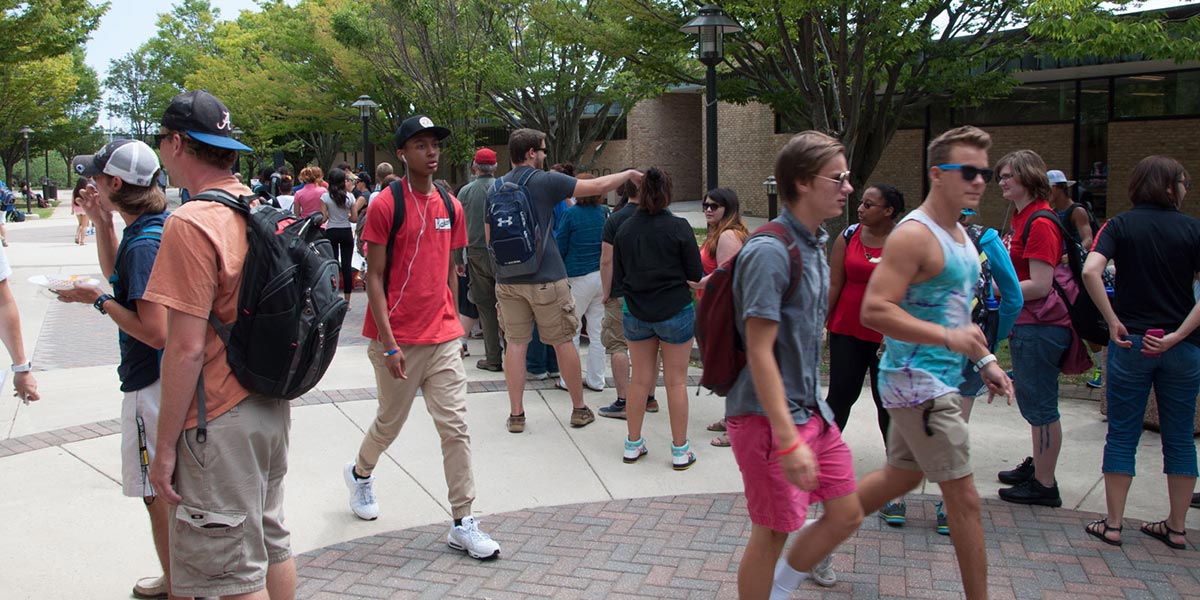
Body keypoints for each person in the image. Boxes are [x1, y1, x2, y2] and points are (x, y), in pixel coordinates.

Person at [145, 89, 296, 599]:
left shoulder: (190, 223)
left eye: (163, 140)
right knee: (271, 541)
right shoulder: (259, 208)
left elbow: (184, 349)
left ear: (179, 143)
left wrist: (164, 448)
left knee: (230, 576)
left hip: (218, 417)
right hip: (268, 404)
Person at [856, 126, 1013, 600]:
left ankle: (813, 534)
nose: (980, 181)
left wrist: (984, 357)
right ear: (937, 175)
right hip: (918, 383)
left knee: (897, 480)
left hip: (938, 378)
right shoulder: (914, 235)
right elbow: (875, 309)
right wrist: (952, 339)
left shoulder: (963, 234)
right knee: (964, 500)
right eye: (968, 171)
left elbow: (957, 311)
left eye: (985, 172)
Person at [343, 115, 501, 560]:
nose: (430, 151)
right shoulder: (385, 205)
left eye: (434, 144)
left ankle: (463, 520)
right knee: (389, 423)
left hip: (443, 338)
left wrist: (453, 320)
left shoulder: (450, 205)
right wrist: (390, 343)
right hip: (397, 339)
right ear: (401, 153)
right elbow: (373, 279)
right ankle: (360, 473)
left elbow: (449, 267)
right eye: (419, 144)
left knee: (456, 428)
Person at [725, 132, 863, 599]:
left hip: (811, 412)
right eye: (838, 177)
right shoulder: (769, 251)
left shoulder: (815, 245)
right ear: (803, 182)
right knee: (772, 531)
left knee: (847, 512)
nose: (848, 187)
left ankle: (781, 589)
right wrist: (787, 440)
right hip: (767, 420)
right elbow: (759, 349)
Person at [60, 140, 174, 600]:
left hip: (153, 381)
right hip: (162, 379)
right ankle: (180, 577)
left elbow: (155, 330)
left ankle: (177, 584)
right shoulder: (149, 227)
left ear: (115, 183)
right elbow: (117, 276)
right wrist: (103, 223)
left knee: (158, 492)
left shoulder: (146, 242)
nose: (89, 185)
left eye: (97, 177)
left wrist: (98, 302)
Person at [490, 128, 642, 433]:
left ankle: (516, 415)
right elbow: (596, 185)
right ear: (531, 153)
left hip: (507, 280)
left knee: (516, 345)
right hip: (546, 276)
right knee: (564, 341)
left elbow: (490, 234)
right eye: (543, 151)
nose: (546, 156)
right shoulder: (545, 181)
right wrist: (629, 173)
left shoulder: (496, 187)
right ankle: (579, 408)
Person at [1081, 156, 1197, 550]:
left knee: (1122, 433)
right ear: (1168, 186)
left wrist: (1112, 320)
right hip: (1181, 347)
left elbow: (1090, 270)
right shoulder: (1193, 229)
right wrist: (1179, 334)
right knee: (1180, 437)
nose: (1186, 188)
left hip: (1130, 340)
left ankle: (1113, 525)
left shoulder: (1119, 225)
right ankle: (1177, 528)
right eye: (1183, 181)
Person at [995, 149, 1071, 509]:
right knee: (1035, 403)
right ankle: (1040, 469)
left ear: (1027, 176)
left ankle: (1044, 484)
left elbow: (1040, 284)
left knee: (1041, 407)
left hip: (1040, 327)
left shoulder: (1039, 222)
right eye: (1000, 176)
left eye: (1008, 175)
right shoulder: (1022, 217)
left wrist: (992, 288)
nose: (1002, 181)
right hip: (1028, 325)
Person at [611, 168, 701, 468]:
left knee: (639, 380)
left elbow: (620, 276)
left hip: (636, 311)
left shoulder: (624, 228)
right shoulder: (680, 227)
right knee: (675, 382)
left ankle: (632, 444)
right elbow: (694, 274)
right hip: (675, 310)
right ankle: (679, 449)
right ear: (667, 192)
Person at [825, 183, 903, 442]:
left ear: (889, 211)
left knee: (888, 402)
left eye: (868, 205)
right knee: (840, 396)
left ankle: (897, 464)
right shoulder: (848, 236)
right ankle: (822, 457)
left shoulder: (905, 242)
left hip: (888, 335)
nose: (860, 209)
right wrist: (820, 321)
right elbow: (835, 284)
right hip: (847, 329)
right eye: (861, 202)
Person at [597, 177, 658, 418]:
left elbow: (606, 259)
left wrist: (605, 290)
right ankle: (650, 398)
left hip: (621, 291)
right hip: (651, 293)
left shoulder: (616, 219)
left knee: (618, 344)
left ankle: (623, 401)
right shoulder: (657, 217)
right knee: (652, 347)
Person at [693, 188, 749, 445]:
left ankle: (737, 427)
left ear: (729, 208)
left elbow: (726, 276)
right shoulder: (719, 233)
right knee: (730, 366)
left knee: (733, 368)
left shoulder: (728, 236)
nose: (708, 209)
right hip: (717, 308)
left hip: (726, 311)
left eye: (714, 206)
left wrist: (698, 283)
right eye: (705, 205)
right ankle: (731, 419)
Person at [1048, 168, 1105, 389]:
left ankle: (1101, 367)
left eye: (1048, 189)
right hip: (1057, 275)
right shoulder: (1051, 212)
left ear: (1058, 188)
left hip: (1075, 274)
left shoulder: (1076, 211)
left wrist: (1068, 256)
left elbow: (1089, 240)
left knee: (1085, 321)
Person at [555, 173, 607, 392]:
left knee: (571, 331)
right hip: (601, 275)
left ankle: (569, 380)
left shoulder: (571, 214)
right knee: (597, 334)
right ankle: (597, 380)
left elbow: (560, 245)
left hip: (577, 275)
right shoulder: (604, 213)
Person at [457, 148, 503, 372]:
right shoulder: (504, 187)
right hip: (504, 253)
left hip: (475, 253)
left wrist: (458, 259)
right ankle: (516, 355)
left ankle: (493, 358)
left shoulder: (465, 192)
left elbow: (457, 228)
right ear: (495, 167)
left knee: (485, 307)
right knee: (511, 306)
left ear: (475, 166)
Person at [320, 167, 358, 305]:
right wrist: (347, 215)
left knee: (333, 264)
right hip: (346, 231)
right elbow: (354, 219)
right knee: (347, 266)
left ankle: (333, 297)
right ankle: (347, 301)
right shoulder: (350, 197)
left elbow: (323, 219)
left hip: (331, 231)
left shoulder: (325, 197)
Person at [72, 178, 91, 246]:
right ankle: (82, 241)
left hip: (77, 208)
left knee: (80, 224)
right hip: (84, 208)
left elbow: (72, 199)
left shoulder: (75, 190)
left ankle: (77, 235)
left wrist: (72, 209)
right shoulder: (85, 190)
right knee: (84, 225)